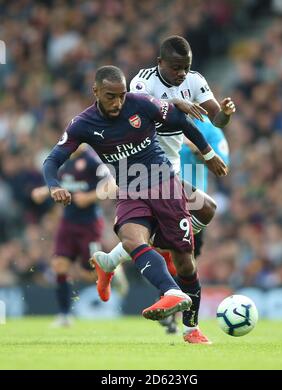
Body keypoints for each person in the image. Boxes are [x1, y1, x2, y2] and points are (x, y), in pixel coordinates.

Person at [43, 65, 228, 343]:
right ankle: (170, 292)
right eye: (110, 96)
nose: (117, 102)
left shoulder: (140, 103)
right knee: (131, 239)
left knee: (185, 263)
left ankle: (192, 329)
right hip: (129, 189)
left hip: (164, 185)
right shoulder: (83, 123)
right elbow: (53, 159)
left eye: (121, 95)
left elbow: (181, 121)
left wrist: (208, 152)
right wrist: (54, 185)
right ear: (95, 92)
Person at [92, 36, 235, 335]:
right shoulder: (142, 81)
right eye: (176, 67)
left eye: (186, 67)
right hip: (143, 170)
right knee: (198, 221)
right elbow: (134, 110)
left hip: (169, 171)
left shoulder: (195, 81)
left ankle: (112, 260)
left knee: (202, 215)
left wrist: (225, 113)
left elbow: (215, 119)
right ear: (160, 63)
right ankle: (187, 327)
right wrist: (173, 104)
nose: (182, 73)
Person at [32, 144, 127, 326]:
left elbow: (112, 184)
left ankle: (114, 269)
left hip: (89, 225)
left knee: (90, 274)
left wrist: (89, 197)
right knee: (59, 264)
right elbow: (64, 184)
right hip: (67, 222)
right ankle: (65, 314)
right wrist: (44, 192)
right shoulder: (66, 161)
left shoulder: (92, 161)